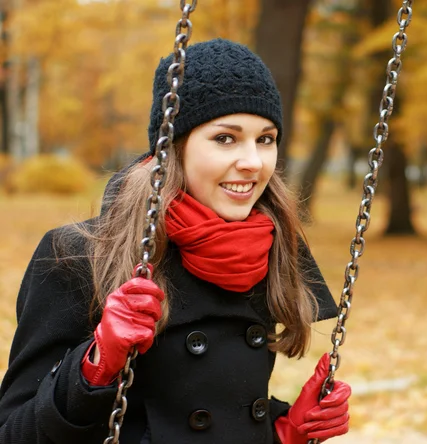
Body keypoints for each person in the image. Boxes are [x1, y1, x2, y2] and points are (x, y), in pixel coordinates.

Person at [0, 38, 351, 444]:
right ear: (173, 149)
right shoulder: (80, 255)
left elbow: (209, 405)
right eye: (225, 138)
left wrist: (283, 430)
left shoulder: (265, 250)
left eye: (266, 139)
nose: (253, 161)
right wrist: (93, 367)